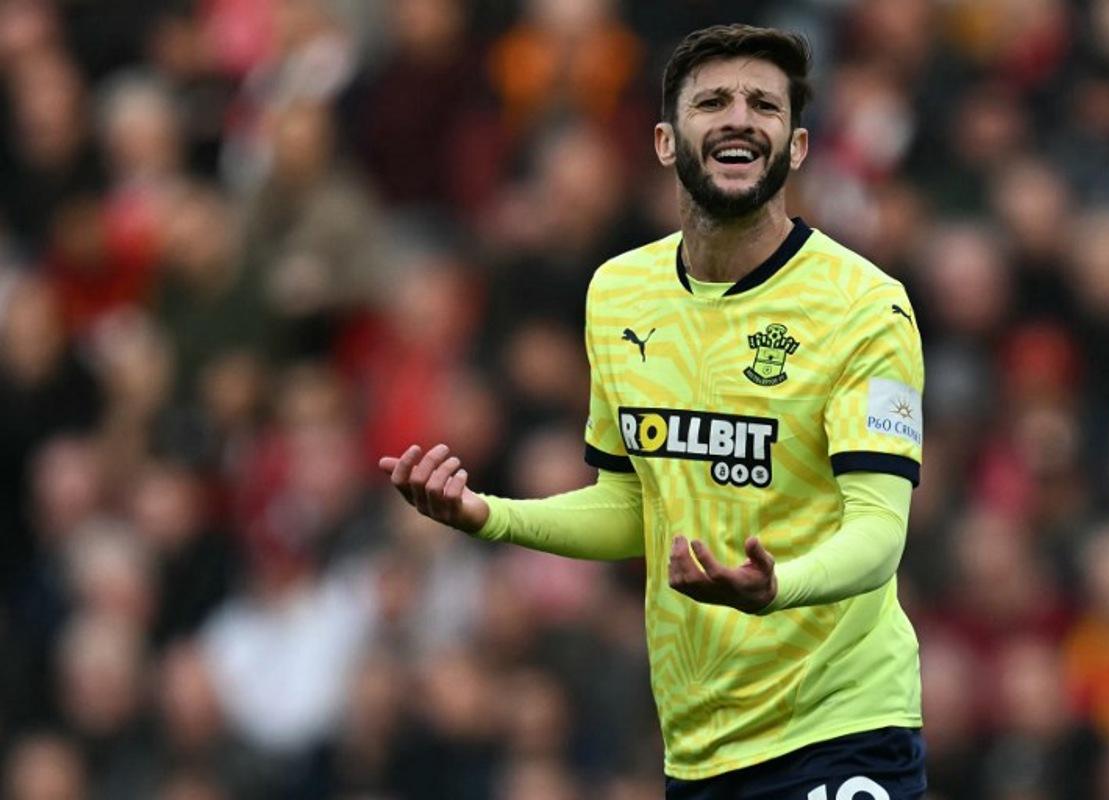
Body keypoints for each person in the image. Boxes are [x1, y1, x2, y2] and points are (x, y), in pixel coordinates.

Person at [380, 24, 927, 799]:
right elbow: (631, 504)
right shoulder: (618, 294)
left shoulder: (867, 308)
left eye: (764, 105)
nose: (739, 118)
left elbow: (880, 532)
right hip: (698, 747)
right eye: (714, 102)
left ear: (796, 147)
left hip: (840, 728)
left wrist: (781, 585)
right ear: (668, 142)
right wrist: (490, 516)